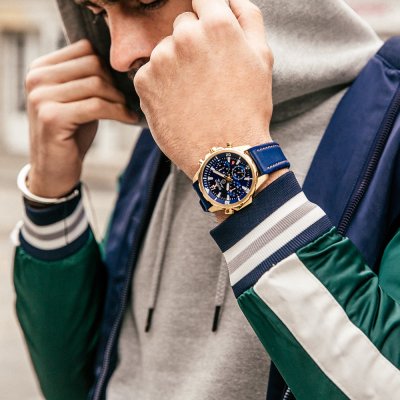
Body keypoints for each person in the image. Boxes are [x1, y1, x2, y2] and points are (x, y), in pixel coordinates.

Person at [13, 0, 400, 399]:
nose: (119, 55)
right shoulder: (160, 132)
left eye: (146, 2)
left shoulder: (391, 129)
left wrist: (240, 171)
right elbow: (84, 383)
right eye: (99, 12)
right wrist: (50, 201)